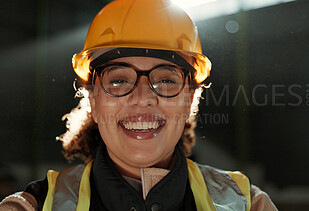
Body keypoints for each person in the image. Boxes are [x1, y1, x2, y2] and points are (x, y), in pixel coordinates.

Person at [0, 0, 278, 210]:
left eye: (166, 80)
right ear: (93, 101)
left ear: (190, 100)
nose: (142, 96)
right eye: (119, 80)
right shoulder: (34, 206)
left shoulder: (247, 204)